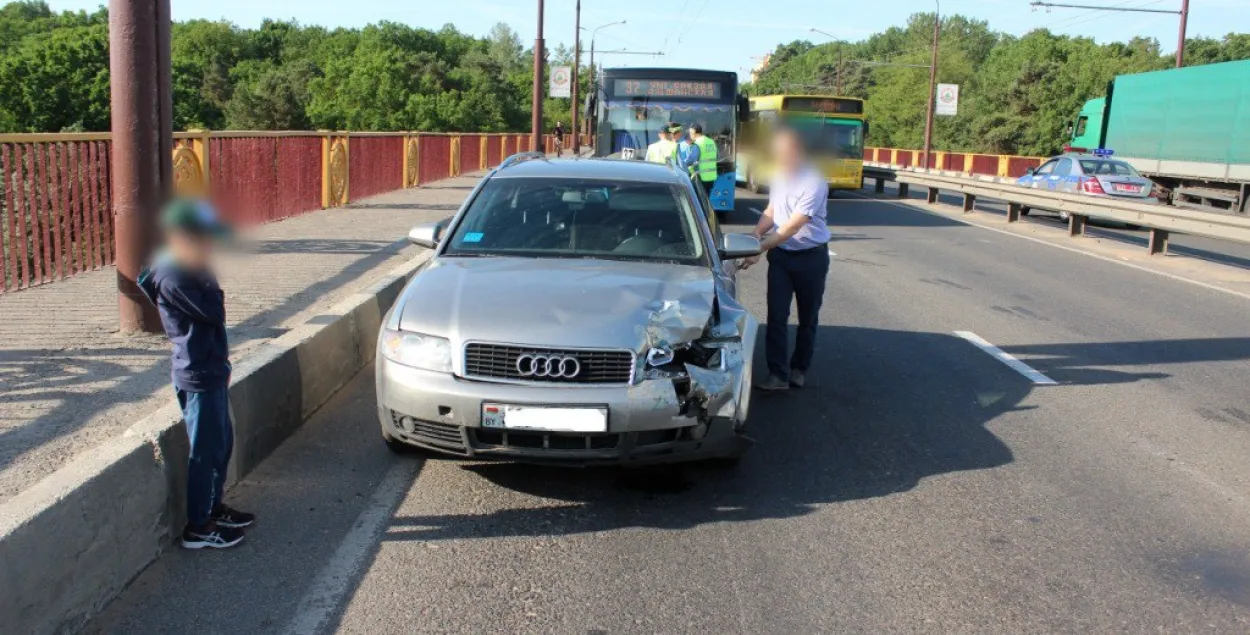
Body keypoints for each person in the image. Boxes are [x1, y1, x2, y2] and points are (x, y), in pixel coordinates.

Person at [138, 199, 255, 549]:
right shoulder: (174, 274)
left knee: (222, 443)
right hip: (197, 372)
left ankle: (213, 507)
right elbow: (214, 311)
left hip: (212, 367)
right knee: (205, 451)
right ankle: (199, 527)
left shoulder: (189, 268)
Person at [742, 127, 831, 391]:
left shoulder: (814, 181)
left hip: (811, 258)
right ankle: (777, 375)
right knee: (776, 315)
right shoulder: (779, 176)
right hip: (781, 257)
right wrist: (756, 234)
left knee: (808, 318)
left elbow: (792, 226)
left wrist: (757, 250)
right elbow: (772, 210)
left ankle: (799, 368)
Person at [688, 124, 719, 196]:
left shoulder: (697, 144)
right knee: (706, 198)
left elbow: (691, 161)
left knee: (699, 199)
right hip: (711, 176)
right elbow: (717, 156)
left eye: (690, 133)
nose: (690, 135)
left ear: (694, 133)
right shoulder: (711, 141)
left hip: (700, 176)